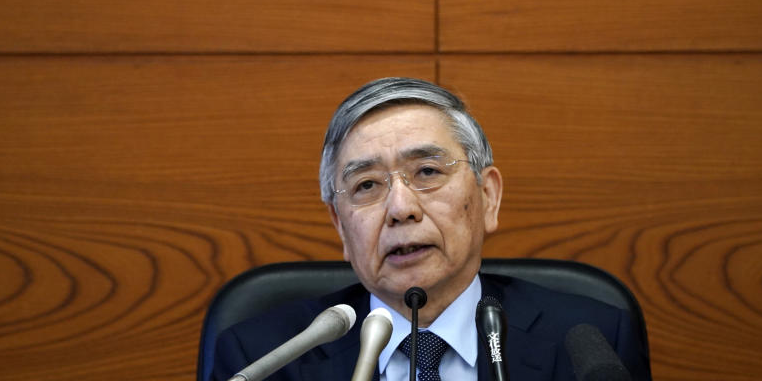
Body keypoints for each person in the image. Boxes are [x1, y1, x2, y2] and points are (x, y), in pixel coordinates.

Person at [212, 77, 652, 381]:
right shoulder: (263, 359)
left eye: (426, 171)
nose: (400, 208)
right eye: (366, 185)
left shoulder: (590, 343)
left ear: (487, 197)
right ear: (340, 226)